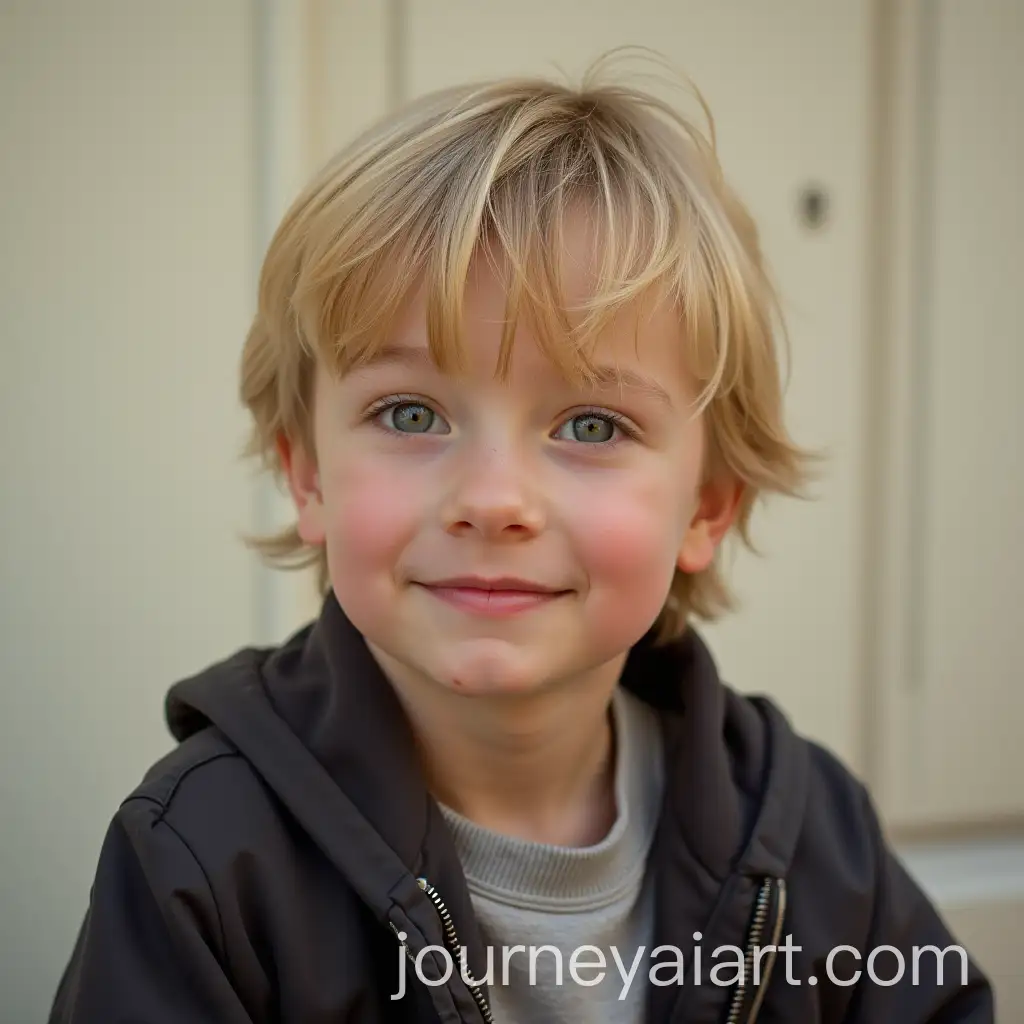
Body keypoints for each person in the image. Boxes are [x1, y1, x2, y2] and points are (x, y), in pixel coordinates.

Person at [50, 56, 994, 1023]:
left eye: (591, 426)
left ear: (707, 507)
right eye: (412, 414)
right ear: (307, 475)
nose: (494, 501)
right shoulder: (203, 859)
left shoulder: (808, 838)